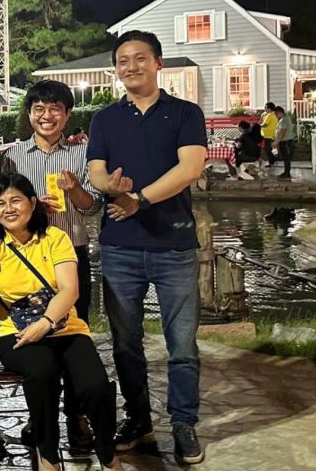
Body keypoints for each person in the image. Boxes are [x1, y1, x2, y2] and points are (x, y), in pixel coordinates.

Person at [87, 30, 208, 464]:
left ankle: (183, 423)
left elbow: (190, 168)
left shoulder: (185, 113)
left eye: (140, 58)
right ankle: (138, 419)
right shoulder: (104, 119)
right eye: (123, 60)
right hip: (119, 247)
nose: (131, 66)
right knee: (125, 343)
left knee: (182, 344)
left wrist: (138, 199)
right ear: (115, 69)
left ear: (158, 63)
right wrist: (110, 187)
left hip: (173, 245)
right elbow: (96, 172)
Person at [0, 174, 123, 471]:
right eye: (0, 204)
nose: (8, 209)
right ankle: (48, 455)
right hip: (16, 332)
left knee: (94, 385)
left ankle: (107, 452)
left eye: (16, 201)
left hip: (66, 328)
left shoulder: (55, 237)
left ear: (32, 203)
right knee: (42, 373)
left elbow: (70, 290)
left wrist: (45, 322)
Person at [0, 79, 104, 454]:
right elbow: (3, 205)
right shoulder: (12, 157)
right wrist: (32, 209)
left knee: (74, 337)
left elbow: (93, 206)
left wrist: (74, 189)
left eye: (55, 109)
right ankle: (40, 416)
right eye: (39, 109)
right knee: (38, 346)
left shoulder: (82, 153)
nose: (47, 116)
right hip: (29, 261)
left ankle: (76, 416)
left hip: (71, 255)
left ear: (67, 114)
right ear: (29, 114)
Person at [272, 105, 296, 180]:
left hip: (285, 141)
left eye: (276, 114)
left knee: (286, 158)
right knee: (286, 158)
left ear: (279, 112)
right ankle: (286, 172)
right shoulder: (285, 119)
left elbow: (282, 132)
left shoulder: (284, 120)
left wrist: (277, 141)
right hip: (286, 141)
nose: (276, 116)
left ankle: (287, 173)